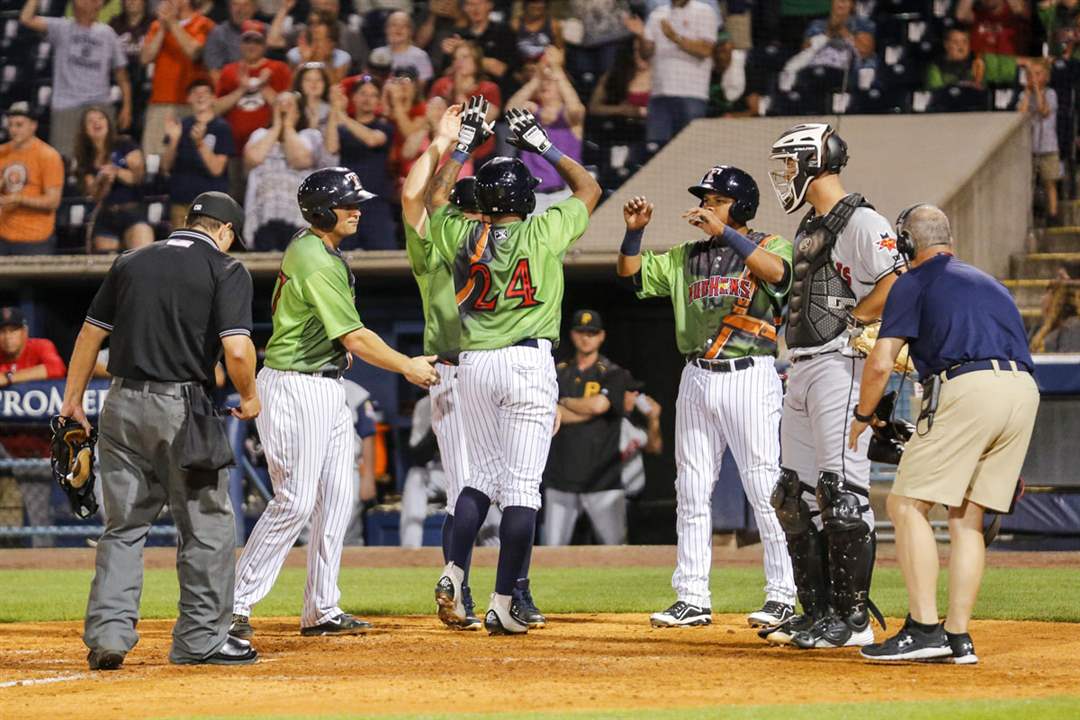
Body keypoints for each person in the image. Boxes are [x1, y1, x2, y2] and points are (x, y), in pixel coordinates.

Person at [228, 167, 438, 641]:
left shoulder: (318, 248)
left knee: (337, 499)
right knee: (296, 500)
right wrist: (407, 365)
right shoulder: (316, 259)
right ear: (323, 211)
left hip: (325, 386)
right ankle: (235, 604)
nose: (356, 210)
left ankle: (321, 607)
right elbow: (355, 337)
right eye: (348, 203)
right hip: (295, 386)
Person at [60, 191, 260, 670]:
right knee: (206, 527)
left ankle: (108, 634)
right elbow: (236, 350)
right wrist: (250, 396)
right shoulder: (226, 269)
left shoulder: (131, 260)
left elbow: (90, 335)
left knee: (123, 528)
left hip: (120, 405)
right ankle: (200, 640)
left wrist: (72, 401)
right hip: (181, 408)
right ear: (225, 230)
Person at [428, 98, 601, 635]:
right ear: (526, 198)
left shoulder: (461, 233)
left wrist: (463, 145)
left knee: (476, 481)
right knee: (523, 490)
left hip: (474, 363)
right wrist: (543, 145)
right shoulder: (543, 230)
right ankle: (504, 602)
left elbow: (436, 197)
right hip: (527, 361)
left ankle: (455, 572)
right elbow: (589, 190)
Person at [851, 205, 1039, 664]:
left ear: (906, 243)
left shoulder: (913, 281)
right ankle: (957, 636)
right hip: (1023, 392)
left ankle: (923, 629)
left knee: (905, 504)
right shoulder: (988, 282)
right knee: (966, 517)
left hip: (969, 388)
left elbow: (879, 363)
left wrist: (863, 414)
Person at [616, 165, 797, 628]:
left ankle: (782, 595)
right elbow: (632, 276)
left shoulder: (770, 244)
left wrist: (726, 233)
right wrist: (634, 234)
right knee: (692, 490)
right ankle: (692, 596)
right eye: (706, 199)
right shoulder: (686, 255)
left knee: (763, 486)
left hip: (750, 373)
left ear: (741, 206)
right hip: (696, 375)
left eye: (716, 199)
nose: (706, 205)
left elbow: (777, 274)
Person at [762, 122, 901, 649]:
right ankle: (817, 612)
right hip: (800, 364)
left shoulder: (863, 220)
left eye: (790, 164)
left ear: (814, 161)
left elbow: (895, 281)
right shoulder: (808, 224)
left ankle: (852, 619)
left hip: (840, 365)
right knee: (792, 496)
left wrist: (851, 323)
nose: (785, 175)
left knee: (841, 495)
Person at [402, 104, 510, 629]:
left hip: (495, 365)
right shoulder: (439, 245)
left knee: (509, 485)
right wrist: (444, 141)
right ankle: (461, 587)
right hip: (453, 368)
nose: (475, 217)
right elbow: (411, 197)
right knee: (468, 482)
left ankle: (506, 590)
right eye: (470, 210)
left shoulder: (502, 245)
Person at [542, 310, 630, 546]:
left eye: (592, 333)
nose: (586, 338)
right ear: (572, 334)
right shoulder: (557, 371)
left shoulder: (613, 372)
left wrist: (565, 402)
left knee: (617, 553)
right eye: (581, 332)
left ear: (601, 336)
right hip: (561, 478)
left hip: (603, 480)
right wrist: (586, 411)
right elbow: (549, 414)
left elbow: (600, 406)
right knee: (552, 555)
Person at [19, 0, 133, 158]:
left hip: (99, 106)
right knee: (64, 162)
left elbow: (122, 75)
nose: (89, 4)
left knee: (102, 160)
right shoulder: (61, 27)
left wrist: (127, 107)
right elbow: (26, 18)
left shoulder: (107, 34)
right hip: (67, 107)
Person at [624, 0, 719, 149]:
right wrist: (641, 34)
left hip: (691, 93)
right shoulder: (657, 14)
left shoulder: (704, 11)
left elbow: (705, 50)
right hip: (659, 92)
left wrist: (675, 37)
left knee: (690, 148)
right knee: (656, 149)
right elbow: (646, 53)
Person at [242, 91, 328, 250]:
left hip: (298, 219)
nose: (283, 108)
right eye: (279, 104)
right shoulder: (259, 135)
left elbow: (300, 160)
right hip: (262, 217)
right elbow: (254, 158)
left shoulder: (309, 136)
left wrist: (287, 126)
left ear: (297, 113)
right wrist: (276, 126)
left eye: (289, 105)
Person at [506, 47, 586, 213]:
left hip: (565, 193)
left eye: (551, 81)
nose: (546, 83)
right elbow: (510, 110)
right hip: (534, 195)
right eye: (544, 81)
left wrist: (557, 70)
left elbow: (576, 109)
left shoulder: (569, 118)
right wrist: (536, 78)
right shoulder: (531, 115)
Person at [325, 78, 397, 249]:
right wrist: (334, 109)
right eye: (363, 94)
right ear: (354, 98)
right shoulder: (342, 129)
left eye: (373, 95)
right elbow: (331, 146)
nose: (367, 99)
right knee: (342, 257)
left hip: (376, 204)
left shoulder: (384, 127)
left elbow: (372, 140)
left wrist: (341, 115)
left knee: (385, 256)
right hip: (347, 204)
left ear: (378, 101)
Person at [74, 106, 155, 253]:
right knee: (106, 266)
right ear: (85, 130)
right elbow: (95, 195)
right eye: (90, 121)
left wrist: (116, 171)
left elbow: (138, 177)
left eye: (100, 118)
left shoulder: (124, 144)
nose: (96, 123)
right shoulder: (86, 157)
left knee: (143, 256)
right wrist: (102, 181)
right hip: (106, 215)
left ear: (108, 123)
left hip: (132, 211)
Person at [140, 0, 216, 156]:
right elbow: (145, 58)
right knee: (154, 157)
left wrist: (172, 24)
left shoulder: (204, 23)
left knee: (188, 157)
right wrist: (162, 28)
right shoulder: (157, 25)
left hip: (191, 104)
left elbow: (193, 52)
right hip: (160, 103)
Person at [162, 80, 235, 230]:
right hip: (181, 202)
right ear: (188, 98)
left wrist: (200, 144)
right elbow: (165, 167)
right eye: (195, 93)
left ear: (214, 98)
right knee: (181, 249)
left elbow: (217, 169)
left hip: (212, 206)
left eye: (205, 93)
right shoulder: (179, 126)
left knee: (210, 249)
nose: (200, 97)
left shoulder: (222, 128)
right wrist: (174, 140)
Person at [214, 22, 293, 154]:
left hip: (268, 148)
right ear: (240, 44)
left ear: (265, 45)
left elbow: (287, 110)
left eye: (257, 41)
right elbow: (216, 109)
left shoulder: (279, 69)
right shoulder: (229, 70)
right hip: (233, 146)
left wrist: (263, 87)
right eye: (247, 40)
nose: (251, 45)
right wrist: (241, 89)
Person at [0, 103, 64, 256]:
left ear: (33, 125)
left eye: (19, 125)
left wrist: (19, 199)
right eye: (10, 125)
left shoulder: (48, 156)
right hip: (2, 236)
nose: (13, 130)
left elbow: (53, 201)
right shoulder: (2, 152)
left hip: (35, 239)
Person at [428, 41, 502, 162]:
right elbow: (430, 115)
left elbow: (482, 121)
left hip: (480, 153)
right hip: (445, 148)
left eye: (465, 57)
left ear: (477, 61)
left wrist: (459, 93)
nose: (460, 62)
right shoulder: (441, 84)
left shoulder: (489, 88)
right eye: (456, 58)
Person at [442, 0, 517, 98]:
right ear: (464, 8)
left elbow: (501, 70)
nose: (475, 9)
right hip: (463, 93)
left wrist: (466, 51)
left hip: (497, 94)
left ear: (490, 5)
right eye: (470, 4)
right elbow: (446, 73)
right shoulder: (458, 36)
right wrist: (450, 52)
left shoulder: (503, 32)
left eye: (480, 3)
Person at [1019, 59, 1062, 225]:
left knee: (1049, 181)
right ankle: (1031, 215)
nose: (1034, 78)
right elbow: (1021, 114)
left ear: (1046, 76)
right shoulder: (1025, 96)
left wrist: (1037, 90)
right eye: (1031, 75)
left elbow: (1044, 110)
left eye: (1038, 74)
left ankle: (1053, 214)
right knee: (1029, 183)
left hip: (1048, 146)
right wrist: (1028, 92)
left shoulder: (1051, 94)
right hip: (1030, 147)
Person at [618, 372, 663, 499]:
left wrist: (654, 419)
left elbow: (655, 448)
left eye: (637, 391)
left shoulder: (633, 421)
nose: (636, 395)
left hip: (634, 498)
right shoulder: (605, 420)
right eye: (630, 391)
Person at [0, 307, 66, 388]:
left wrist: (9, 378)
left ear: (25, 332)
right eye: (2, 331)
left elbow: (57, 369)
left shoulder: (41, 346)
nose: (8, 337)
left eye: (13, 331)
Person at [285, 11, 352, 83]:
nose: (314, 26)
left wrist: (326, 60)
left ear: (330, 27)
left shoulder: (342, 57)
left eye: (319, 23)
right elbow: (292, 85)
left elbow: (335, 86)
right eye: (311, 23)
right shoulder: (294, 53)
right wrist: (304, 60)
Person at [203, 0, 257, 84]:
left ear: (254, 8)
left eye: (246, 5)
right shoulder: (218, 34)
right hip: (231, 91)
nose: (240, 9)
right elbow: (215, 74)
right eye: (235, 4)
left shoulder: (265, 31)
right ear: (229, 8)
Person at [376, 11, 435, 87]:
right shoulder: (377, 53)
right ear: (386, 29)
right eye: (394, 25)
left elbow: (421, 87)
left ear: (410, 31)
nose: (398, 29)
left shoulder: (420, 56)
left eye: (404, 26)